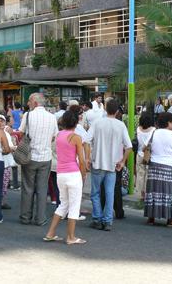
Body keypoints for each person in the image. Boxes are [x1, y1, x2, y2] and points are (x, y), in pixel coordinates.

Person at [86, 99, 132, 231]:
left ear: (105, 109)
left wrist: (88, 158)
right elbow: (128, 146)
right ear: (117, 111)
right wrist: (122, 161)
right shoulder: (120, 125)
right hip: (113, 164)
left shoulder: (97, 123)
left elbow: (87, 141)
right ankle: (107, 221)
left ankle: (97, 218)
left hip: (98, 162)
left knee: (95, 193)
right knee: (110, 192)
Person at [44, 111, 87, 245]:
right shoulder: (76, 137)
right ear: (76, 122)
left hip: (60, 173)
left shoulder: (59, 135)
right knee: (74, 206)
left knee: (63, 204)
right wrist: (83, 174)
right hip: (73, 173)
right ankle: (71, 237)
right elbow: (81, 159)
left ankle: (50, 233)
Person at [18, 93, 58, 225]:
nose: (28, 103)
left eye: (29, 101)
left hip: (30, 156)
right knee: (42, 188)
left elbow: (21, 132)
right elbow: (54, 136)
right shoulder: (52, 117)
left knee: (28, 187)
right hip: (45, 157)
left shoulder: (28, 115)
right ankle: (40, 218)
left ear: (35, 102)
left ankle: (25, 217)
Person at [143, 112, 172, 227]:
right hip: (169, 166)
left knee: (153, 191)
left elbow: (145, 147)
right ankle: (170, 220)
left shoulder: (154, 133)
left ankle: (151, 218)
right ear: (168, 123)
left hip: (154, 166)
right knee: (169, 192)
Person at [0, 114, 16, 210]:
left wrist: (12, 148)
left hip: (6, 162)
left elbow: (10, 147)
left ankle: (1, 201)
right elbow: (8, 148)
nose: (1, 123)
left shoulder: (7, 134)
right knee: (0, 183)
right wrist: (11, 148)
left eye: (3, 121)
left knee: (4, 183)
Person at [136, 113, 155, 200]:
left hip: (139, 154)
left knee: (140, 174)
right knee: (148, 174)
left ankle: (141, 194)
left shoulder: (138, 129)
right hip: (148, 155)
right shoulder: (153, 130)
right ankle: (147, 193)